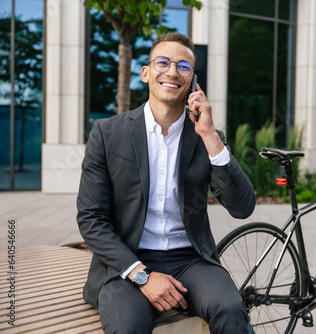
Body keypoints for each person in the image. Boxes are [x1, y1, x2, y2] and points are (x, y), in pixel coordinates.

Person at [77, 32, 256, 334]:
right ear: (146, 73)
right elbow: (91, 218)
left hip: (191, 260)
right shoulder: (108, 134)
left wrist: (212, 138)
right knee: (128, 326)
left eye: (183, 66)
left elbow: (242, 207)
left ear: (192, 80)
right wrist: (143, 275)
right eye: (163, 62)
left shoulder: (205, 135)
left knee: (231, 309)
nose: (172, 71)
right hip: (129, 261)